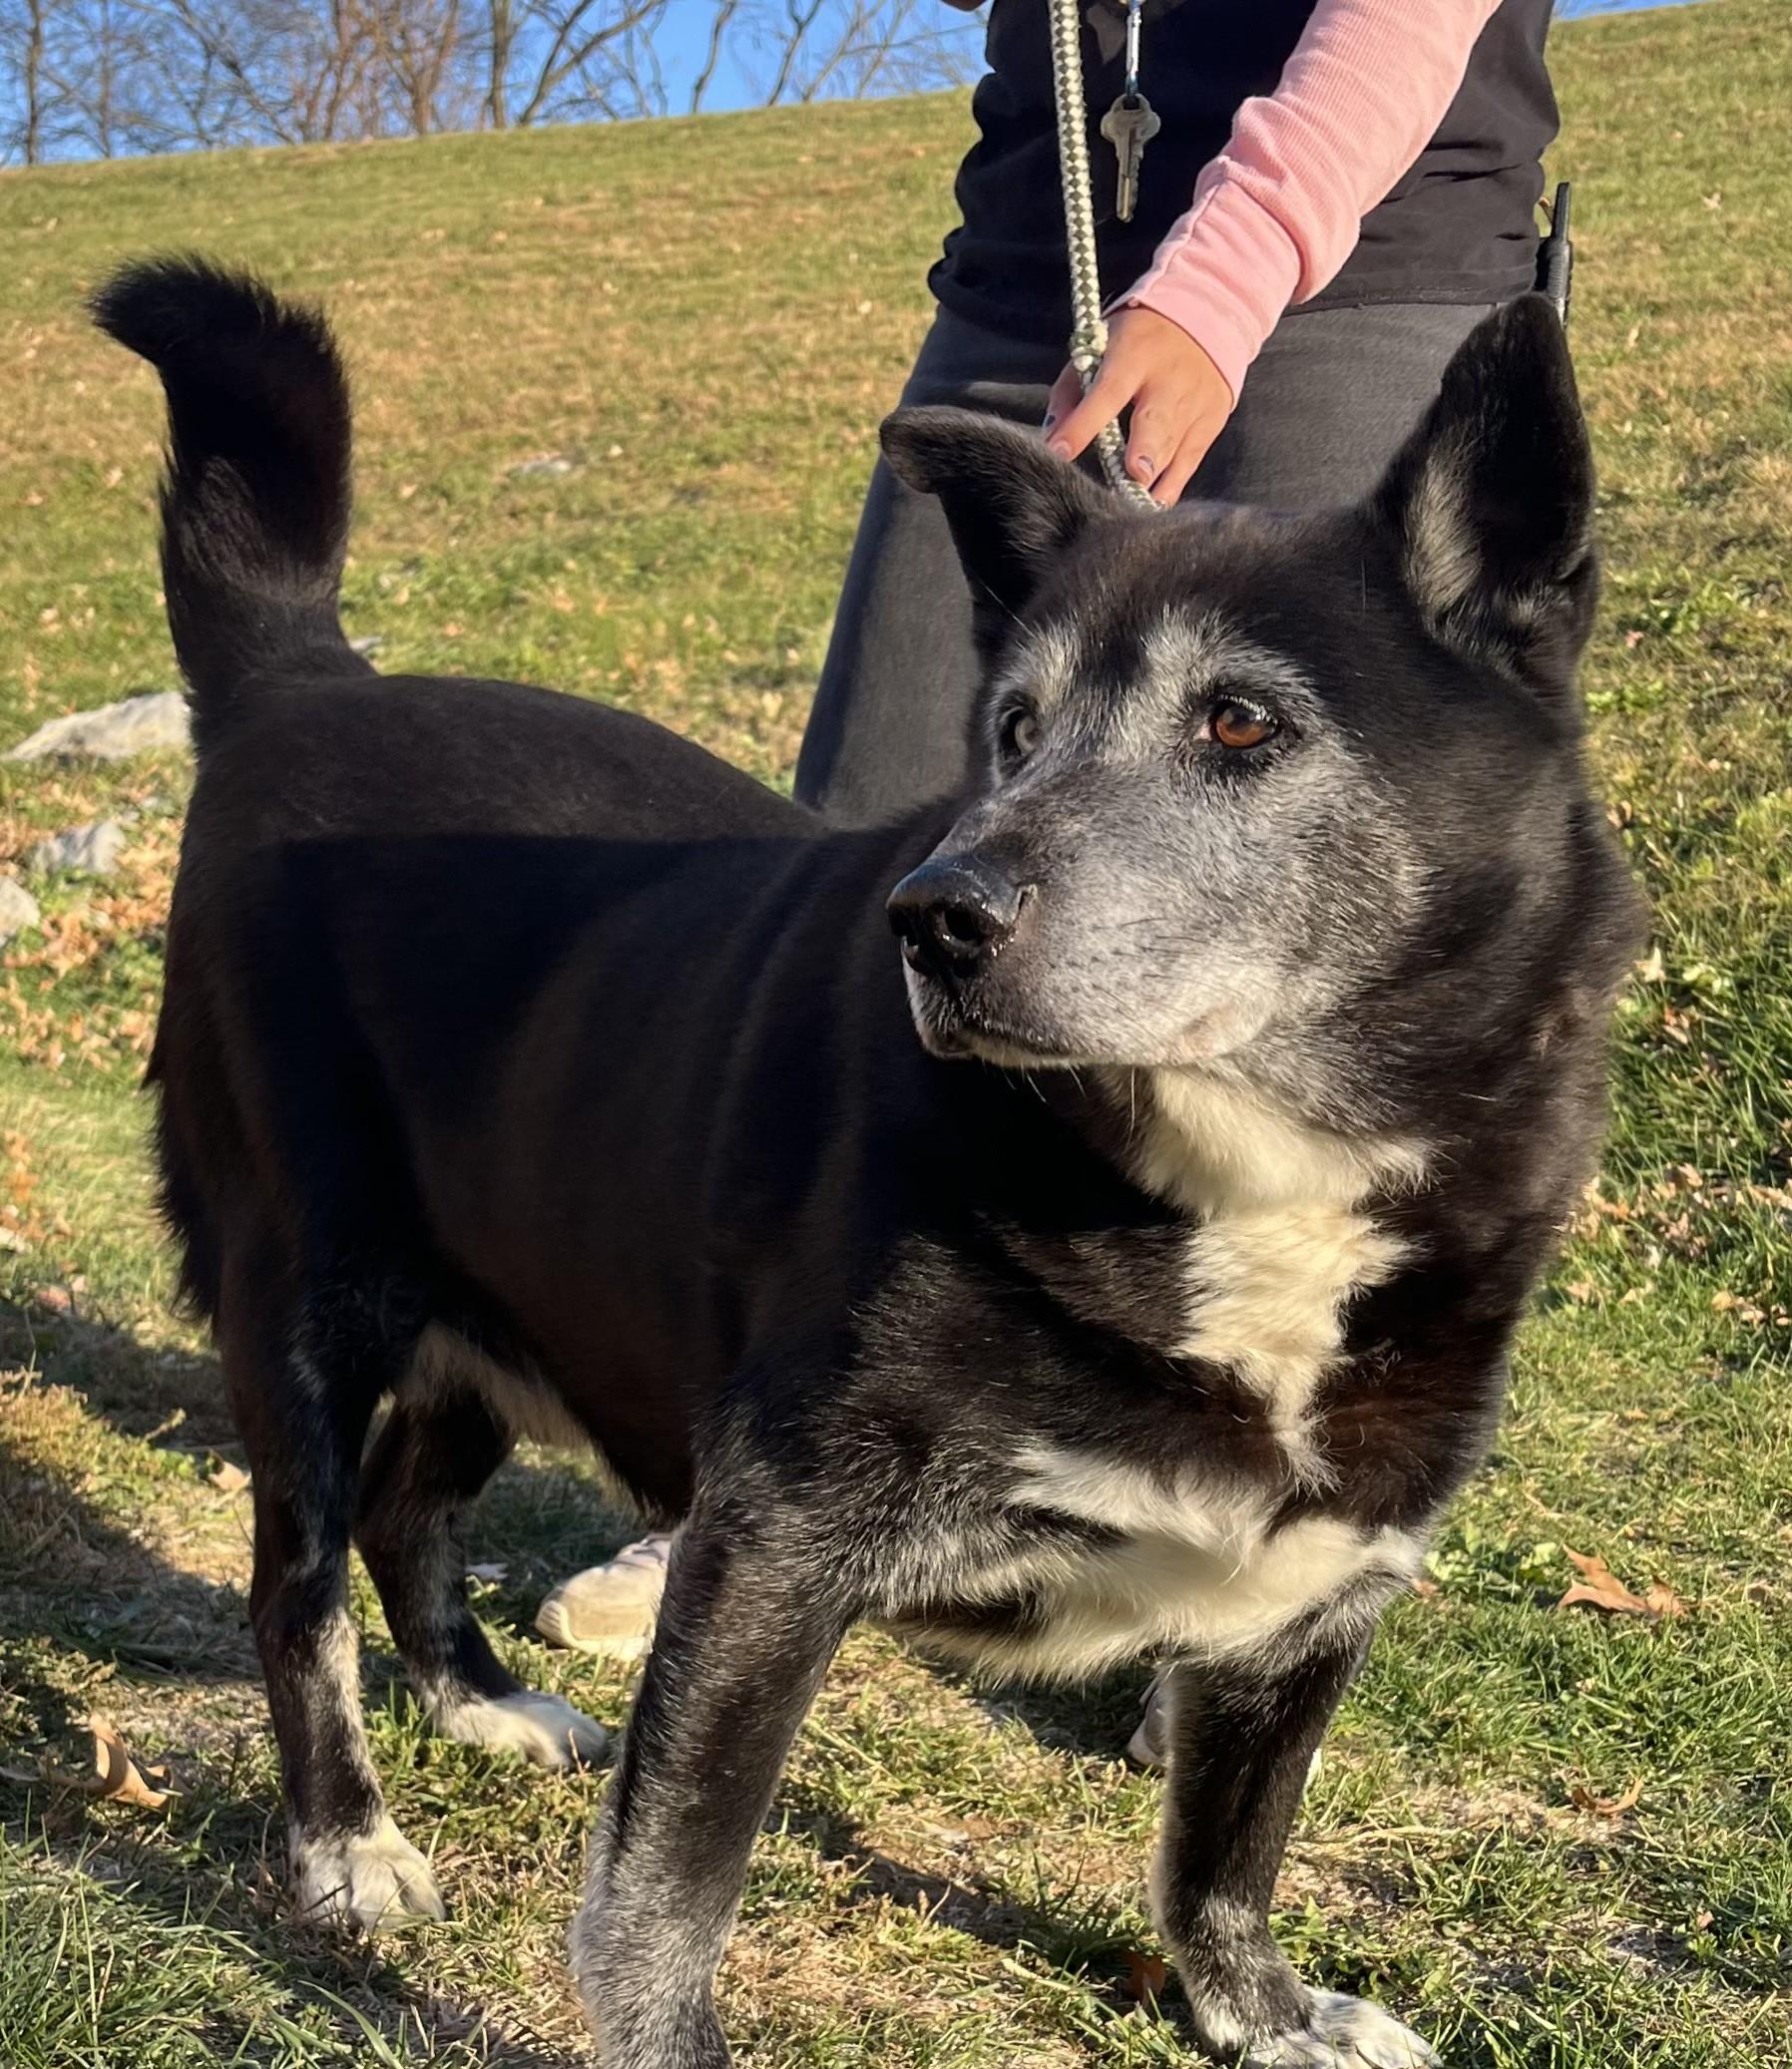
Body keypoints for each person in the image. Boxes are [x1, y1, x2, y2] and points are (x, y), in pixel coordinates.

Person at [535, 0, 1561, 1759]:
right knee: (864, 876)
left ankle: (1244, 1572)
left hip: (1362, 252)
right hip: (1036, 266)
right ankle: (774, 1462)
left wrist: (1208, 285)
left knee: (1302, 950)